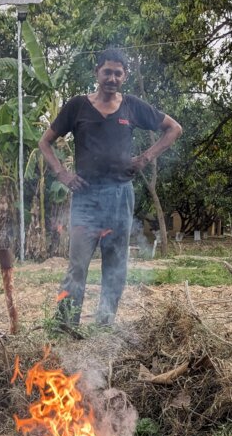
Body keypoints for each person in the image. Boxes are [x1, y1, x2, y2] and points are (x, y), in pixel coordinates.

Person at [38, 48, 182, 329]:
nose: (112, 78)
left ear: (124, 76)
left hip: (120, 196)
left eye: (118, 73)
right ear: (97, 73)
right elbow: (45, 142)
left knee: (115, 267)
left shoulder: (131, 106)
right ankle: (65, 326)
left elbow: (173, 128)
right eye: (107, 72)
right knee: (77, 266)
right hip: (86, 197)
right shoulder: (77, 106)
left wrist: (145, 158)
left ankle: (104, 326)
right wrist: (63, 174)